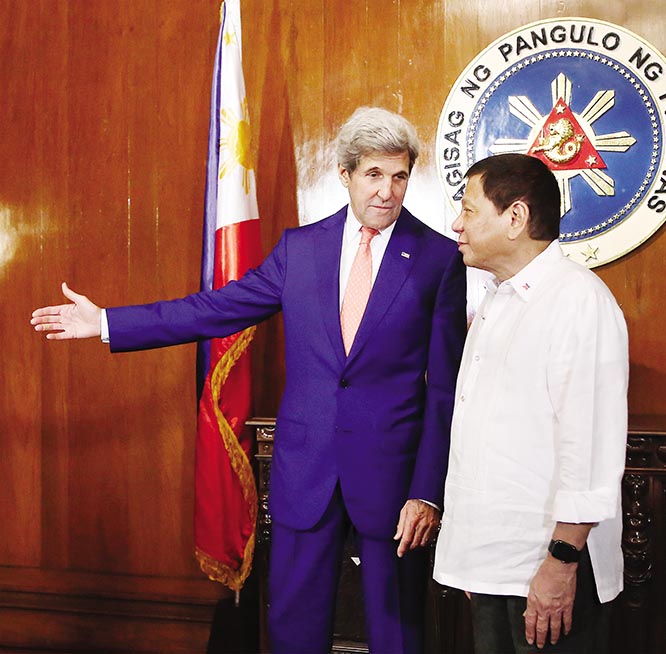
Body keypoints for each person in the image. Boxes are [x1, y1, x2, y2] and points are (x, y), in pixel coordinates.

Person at [31, 106, 468, 654]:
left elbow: (445, 390)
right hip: (305, 472)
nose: (386, 191)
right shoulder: (300, 249)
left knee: (396, 634)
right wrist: (107, 322)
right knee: (293, 630)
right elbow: (215, 308)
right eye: (373, 175)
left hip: (392, 483)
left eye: (399, 176)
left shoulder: (437, 259)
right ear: (346, 174)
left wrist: (426, 491)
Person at [433, 153, 628, 653]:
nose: (457, 224)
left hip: (547, 571)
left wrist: (561, 563)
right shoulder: (497, 301)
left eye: (470, 210)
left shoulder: (578, 302)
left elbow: (588, 448)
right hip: (494, 567)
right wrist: (474, 553)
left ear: (515, 218)